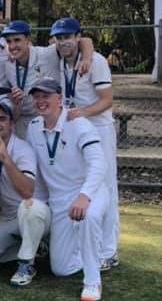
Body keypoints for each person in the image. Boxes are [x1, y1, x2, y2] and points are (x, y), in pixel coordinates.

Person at [27, 77, 108, 301]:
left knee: (89, 218)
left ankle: (93, 282)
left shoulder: (79, 123)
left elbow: (99, 163)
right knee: (61, 269)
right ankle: (91, 250)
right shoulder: (34, 127)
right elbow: (40, 173)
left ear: (59, 99)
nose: (41, 101)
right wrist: (38, 203)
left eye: (46, 96)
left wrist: (84, 196)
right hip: (59, 200)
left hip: (89, 191)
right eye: (37, 97)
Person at [50, 17, 119, 272]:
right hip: (77, 126)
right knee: (82, 184)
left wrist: (84, 113)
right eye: (59, 37)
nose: (64, 41)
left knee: (105, 188)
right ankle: (85, 246)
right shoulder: (59, 58)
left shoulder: (96, 61)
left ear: (77, 36)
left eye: (68, 36)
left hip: (98, 127)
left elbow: (107, 100)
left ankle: (108, 252)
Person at [0, 101, 51, 286]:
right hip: (8, 217)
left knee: (29, 207)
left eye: (2, 119)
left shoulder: (22, 149)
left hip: (34, 212)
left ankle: (26, 264)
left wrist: (6, 159)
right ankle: (35, 246)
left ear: (12, 123)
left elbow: (27, 191)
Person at [0, 20, 95, 138]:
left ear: (28, 40)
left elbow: (84, 40)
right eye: (9, 41)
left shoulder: (46, 54)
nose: (13, 46)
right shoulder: (8, 64)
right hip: (22, 122)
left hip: (50, 119)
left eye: (17, 40)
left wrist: (86, 58)